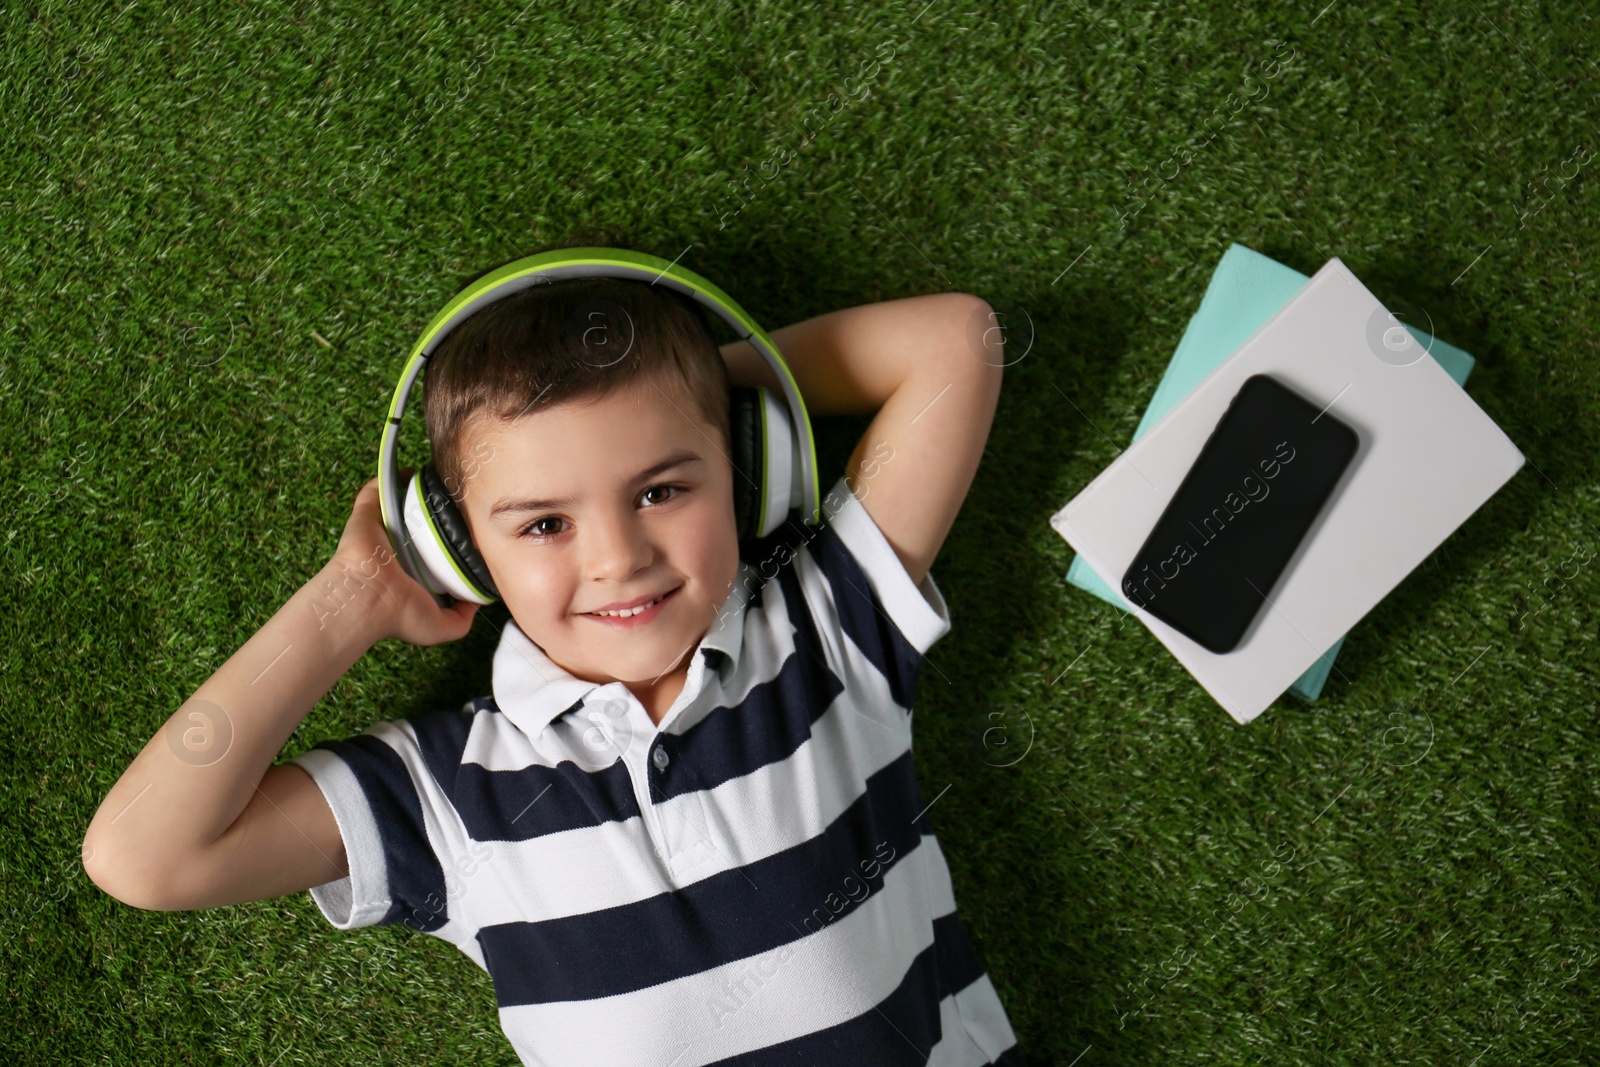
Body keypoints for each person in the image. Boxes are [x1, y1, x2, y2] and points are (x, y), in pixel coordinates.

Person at [83, 262, 1021, 1065]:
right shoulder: (449, 797)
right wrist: (352, 598)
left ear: (745, 465)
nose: (618, 557)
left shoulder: (824, 640)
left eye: (661, 486)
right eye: (543, 522)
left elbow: (957, 341)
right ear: (456, 546)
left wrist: (688, 382)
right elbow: (143, 854)